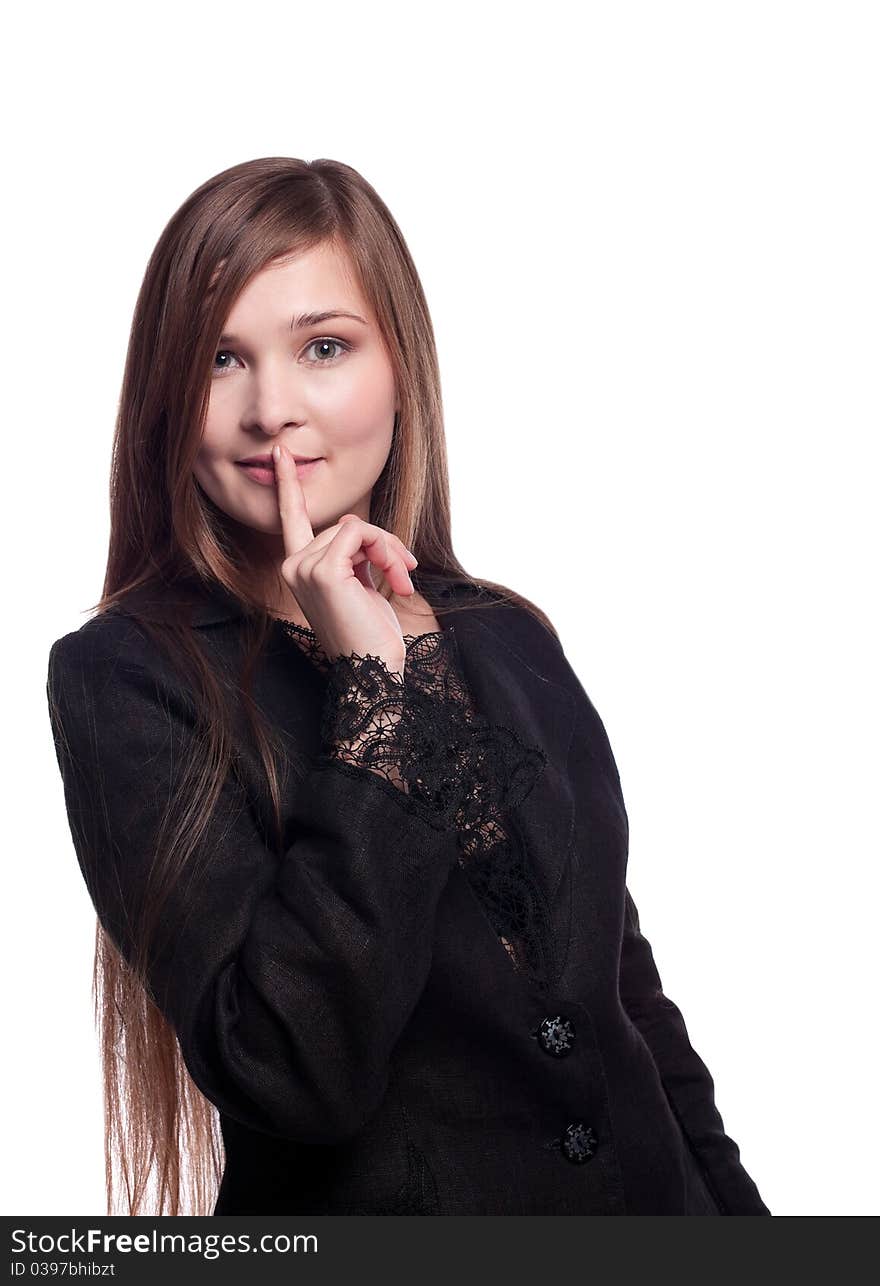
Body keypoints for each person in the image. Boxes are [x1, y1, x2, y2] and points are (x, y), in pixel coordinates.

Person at [46, 156, 770, 1217]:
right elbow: (294, 1069)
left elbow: (622, 996)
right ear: (167, 395)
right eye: (219, 360)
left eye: (323, 348)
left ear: (398, 366)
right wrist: (372, 688)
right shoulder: (126, 675)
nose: (272, 411)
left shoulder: (505, 631)